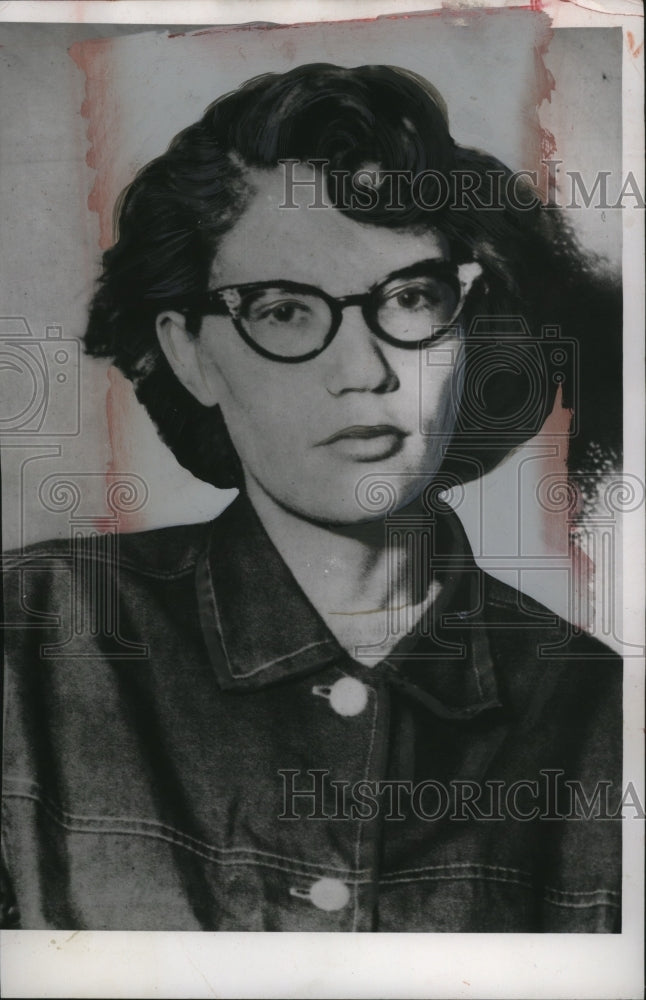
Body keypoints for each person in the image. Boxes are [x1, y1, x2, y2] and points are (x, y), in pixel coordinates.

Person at [1, 63, 622, 931]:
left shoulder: (601, 706)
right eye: (284, 310)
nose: (363, 371)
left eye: (410, 299)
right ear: (191, 354)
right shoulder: (29, 638)